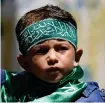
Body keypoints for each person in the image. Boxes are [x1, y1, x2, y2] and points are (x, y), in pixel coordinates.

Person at [1, 5, 105, 102]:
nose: (52, 57)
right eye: (41, 51)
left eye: (62, 48)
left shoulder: (92, 99)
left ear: (76, 57)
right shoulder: (7, 91)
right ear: (25, 63)